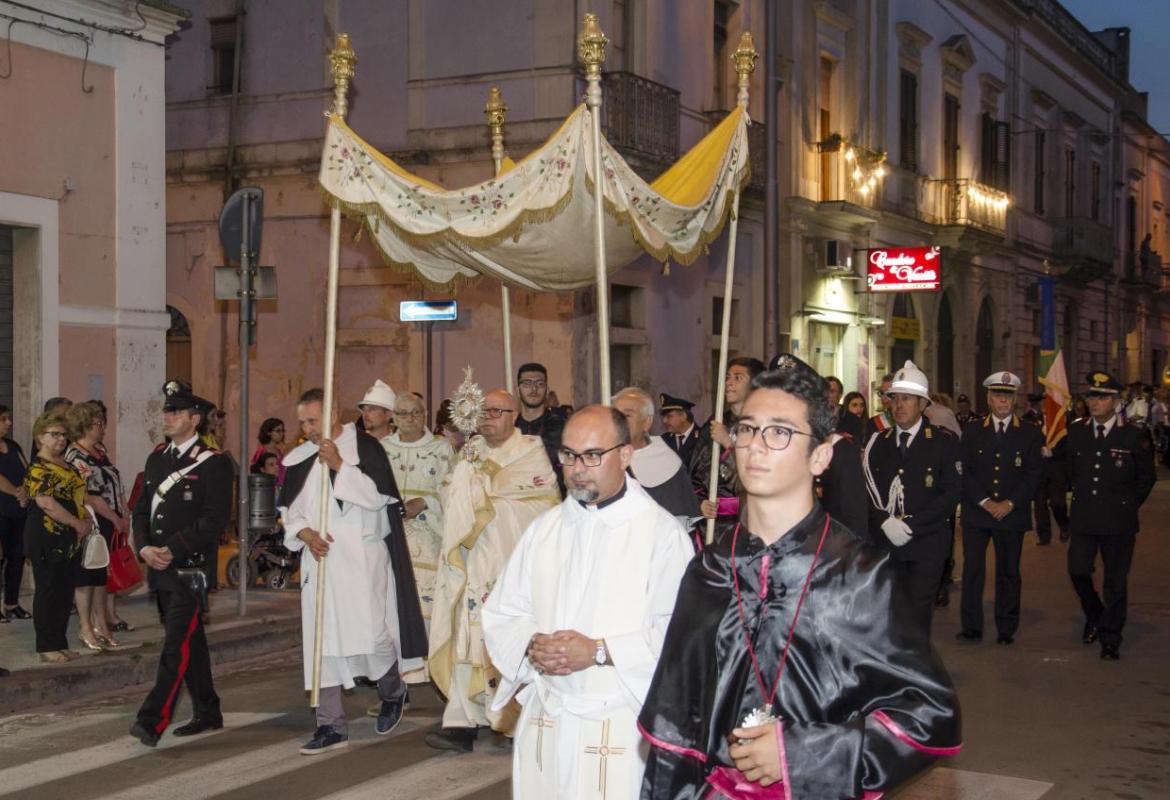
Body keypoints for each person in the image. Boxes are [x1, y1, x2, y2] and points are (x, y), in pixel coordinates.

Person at [638, 362, 961, 799]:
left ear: (821, 455)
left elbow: (930, 715)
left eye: (780, 432)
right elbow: (674, 730)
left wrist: (803, 753)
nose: (756, 445)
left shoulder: (859, 575)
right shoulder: (709, 570)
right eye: (747, 429)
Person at [483, 405, 692, 799]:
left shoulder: (661, 535)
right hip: (549, 715)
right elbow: (504, 611)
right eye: (568, 455)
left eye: (593, 456)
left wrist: (598, 651)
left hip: (619, 718)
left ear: (626, 455)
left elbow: (678, 635)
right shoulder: (544, 530)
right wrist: (531, 645)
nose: (578, 468)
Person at [280, 387, 426, 753]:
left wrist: (341, 467)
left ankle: (393, 691)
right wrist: (305, 532)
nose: (308, 429)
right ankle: (330, 724)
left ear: (332, 413)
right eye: (302, 423)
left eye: (313, 420)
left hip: (361, 556)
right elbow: (290, 512)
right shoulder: (300, 457)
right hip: (321, 559)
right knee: (322, 644)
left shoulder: (365, 448)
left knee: (374, 637)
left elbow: (380, 500)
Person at [427, 388, 560, 752]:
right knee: (468, 636)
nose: (488, 418)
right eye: (483, 411)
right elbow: (446, 496)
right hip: (472, 558)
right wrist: (464, 483)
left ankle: (514, 720)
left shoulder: (530, 450)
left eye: (497, 411)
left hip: (510, 561)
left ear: (514, 414)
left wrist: (484, 494)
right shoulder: (471, 452)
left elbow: (545, 502)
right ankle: (462, 719)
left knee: (511, 640)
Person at [127, 382, 231, 747]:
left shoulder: (215, 463)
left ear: (194, 418)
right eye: (166, 412)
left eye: (175, 412)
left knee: (176, 646)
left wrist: (169, 548)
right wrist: (144, 549)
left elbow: (212, 522)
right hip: (158, 565)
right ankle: (208, 710)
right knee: (191, 641)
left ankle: (152, 720)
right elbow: (140, 509)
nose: (167, 417)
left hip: (189, 570)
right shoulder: (158, 456)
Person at [862, 361, 962, 637]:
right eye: (894, 398)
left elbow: (950, 493)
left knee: (916, 618)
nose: (899, 405)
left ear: (922, 404)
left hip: (926, 545)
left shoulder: (943, 442)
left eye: (907, 399)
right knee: (889, 615)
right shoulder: (877, 444)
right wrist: (884, 521)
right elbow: (866, 491)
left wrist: (910, 526)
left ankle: (915, 674)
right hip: (885, 545)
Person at [1066, 371, 1156, 660]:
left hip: (1118, 521)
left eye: (1102, 397)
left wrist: (1128, 504)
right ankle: (1095, 613)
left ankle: (1110, 637)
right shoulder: (1077, 430)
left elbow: (1146, 477)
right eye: (1092, 396)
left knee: (1115, 581)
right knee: (1078, 570)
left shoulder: (1134, 434)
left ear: (1116, 401)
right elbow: (1071, 470)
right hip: (1084, 518)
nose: (1095, 402)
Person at [956, 371, 1044, 645]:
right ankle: (972, 626)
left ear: (1014, 399)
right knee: (973, 571)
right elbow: (964, 470)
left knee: (1008, 572)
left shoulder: (1029, 433)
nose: (1002, 401)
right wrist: (985, 502)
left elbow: (1033, 474)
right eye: (997, 395)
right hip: (977, 512)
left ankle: (1006, 628)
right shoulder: (972, 430)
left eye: (1007, 396)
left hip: (1011, 513)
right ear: (988, 399)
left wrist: (1009, 503)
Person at [381, 391, 454, 683]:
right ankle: (395, 681)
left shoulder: (442, 449)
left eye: (416, 413)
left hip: (428, 537)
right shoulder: (382, 449)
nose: (410, 419)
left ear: (424, 415)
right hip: (391, 539)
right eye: (403, 414)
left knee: (427, 607)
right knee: (390, 608)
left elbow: (454, 492)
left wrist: (425, 503)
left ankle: (432, 670)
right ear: (394, 418)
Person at [23, 412, 88, 664]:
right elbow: (46, 503)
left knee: (63, 592)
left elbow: (77, 496)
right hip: (46, 535)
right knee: (48, 591)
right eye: (54, 434)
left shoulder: (67, 465)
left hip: (70, 537)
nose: (61, 439)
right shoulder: (38, 467)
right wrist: (75, 521)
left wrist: (84, 520)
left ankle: (59, 642)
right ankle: (46, 646)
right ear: (40, 437)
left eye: (63, 435)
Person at [64, 401, 126, 651]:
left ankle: (102, 624)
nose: (102, 428)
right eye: (98, 423)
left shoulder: (99, 451)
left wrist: (124, 513)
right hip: (92, 522)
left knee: (101, 577)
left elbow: (114, 483)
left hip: (110, 521)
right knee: (86, 575)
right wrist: (115, 518)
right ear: (86, 426)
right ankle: (85, 627)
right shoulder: (75, 456)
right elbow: (90, 496)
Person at [693, 356, 766, 522]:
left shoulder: (765, 425)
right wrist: (700, 502)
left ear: (755, 385)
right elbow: (696, 472)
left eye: (738, 378)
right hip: (714, 525)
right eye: (727, 377)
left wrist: (728, 444)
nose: (729, 383)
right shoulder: (716, 423)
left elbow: (759, 478)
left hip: (750, 520)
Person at [613, 388, 701, 523]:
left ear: (647, 422)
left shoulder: (667, 461)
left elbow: (680, 524)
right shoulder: (601, 459)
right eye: (614, 415)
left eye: (627, 415)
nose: (618, 422)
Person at [514, 363, 567, 494]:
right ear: (517, 390)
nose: (534, 389)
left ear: (547, 390)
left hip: (556, 501)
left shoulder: (565, 428)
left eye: (540, 384)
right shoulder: (510, 428)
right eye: (527, 383)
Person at [0, 404, 31, 624]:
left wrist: (25, 490)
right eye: (3, 419)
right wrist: (16, 492)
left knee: (17, 557)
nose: (9, 423)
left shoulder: (12, 445)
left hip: (18, 512)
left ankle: (11, 603)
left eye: (9, 418)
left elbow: (28, 471)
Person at [659, 393, 699, 468]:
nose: (664, 421)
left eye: (669, 416)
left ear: (683, 416)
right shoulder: (663, 440)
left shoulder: (703, 438)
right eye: (664, 417)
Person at [251, 417, 287, 483]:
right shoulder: (261, 452)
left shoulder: (279, 451)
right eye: (278, 431)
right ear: (268, 432)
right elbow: (256, 474)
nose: (282, 434)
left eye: (283, 431)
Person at [863, 373, 895, 440]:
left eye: (889, 394)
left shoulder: (910, 421)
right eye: (882, 393)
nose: (883, 399)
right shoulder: (874, 423)